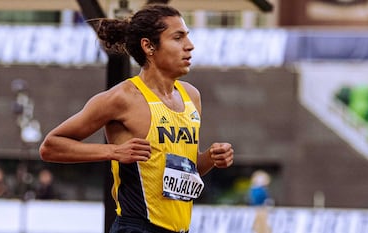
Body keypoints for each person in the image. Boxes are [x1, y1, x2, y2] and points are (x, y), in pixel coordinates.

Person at [39, 4, 234, 233]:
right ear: (148, 46)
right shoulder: (122, 98)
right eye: (178, 38)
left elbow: (184, 172)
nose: (189, 46)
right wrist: (113, 152)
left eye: (187, 37)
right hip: (137, 227)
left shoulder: (191, 96)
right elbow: (50, 146)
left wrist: (210, 158)